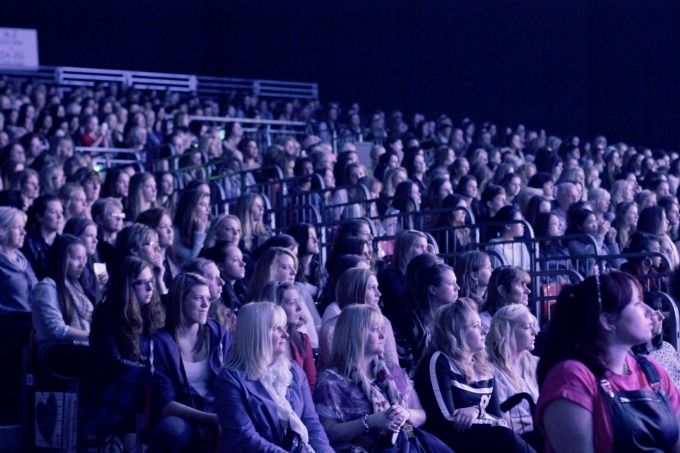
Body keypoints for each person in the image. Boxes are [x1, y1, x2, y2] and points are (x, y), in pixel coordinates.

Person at [536, 271, 680, 453]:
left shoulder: (652, 371)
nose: (650, 311)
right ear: (608, 321)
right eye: (637, 303)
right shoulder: (571, 377)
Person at [314, 304, 452, 453]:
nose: (383, 336)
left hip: (405, 442)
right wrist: (372, 421)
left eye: (382, 329)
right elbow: (329, 432)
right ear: (355, 334)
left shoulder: (393, 371)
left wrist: (406, 413)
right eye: (375, 329)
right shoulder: (330, 381)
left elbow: (421, 415)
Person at [414, 300, 533, 453]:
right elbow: (444, 420)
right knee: (503, 435)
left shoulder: (486, 369)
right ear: (457, 331)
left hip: (482, 441)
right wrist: (484, 416)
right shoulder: (439, 361)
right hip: (450, 444)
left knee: (533, 436)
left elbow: (499, 419)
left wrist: (477, 411)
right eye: (476, 326)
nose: (484, 331)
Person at [215, 302, 332, 452]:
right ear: (258, 334)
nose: (286, 335)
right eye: (277, 328)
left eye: (284, 327)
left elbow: (312, 424)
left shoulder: (294, 372)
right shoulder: (230, 380)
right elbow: (245, 438)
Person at [84, 257, 165, 442]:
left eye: (151, 282)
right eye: (141, 283)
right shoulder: (108, 313)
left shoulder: (152, 312)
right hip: (111, 383)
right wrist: (148, 372)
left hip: (139, 380)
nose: (150, 288)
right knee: (151, 379)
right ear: (127, 286)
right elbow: (112, 361)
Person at [150, 272, 232, 453]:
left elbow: (234, 378)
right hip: (183, 414)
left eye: (208, 299)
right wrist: (210, 418)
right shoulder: (161, 342)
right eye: (198, 298)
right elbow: (165, 404)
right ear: (180, 301)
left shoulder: (217, 333)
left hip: (217, 407)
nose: (205, 305)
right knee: (172, 430)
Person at [31, 234, 92, 376]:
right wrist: (91, 336)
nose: (82, 264)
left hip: (76, 348)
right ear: (62, 259)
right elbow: (57, 330)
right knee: (99, 357)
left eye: (84, 259)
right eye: (77, 258)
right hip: (55, 351)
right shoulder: (47, 287)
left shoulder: (77, 286)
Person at [319, 267, 398, 369]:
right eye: (372, 288)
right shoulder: (331, 330)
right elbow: (337, 371)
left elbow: (393, 366)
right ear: (355, 291)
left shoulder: (383, 322)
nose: (379, 294)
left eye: (377, 288)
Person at [486, 304, 540, 437]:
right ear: (507, 331)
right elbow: (504, 423)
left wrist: (535, 422)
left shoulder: (538, 364)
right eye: (527, 327)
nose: (535, 332)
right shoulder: (491, 372)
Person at [260, 281, 317, 389]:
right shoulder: (260, 341)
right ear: (276, 306)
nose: (299, 308)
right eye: (292, 303)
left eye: (299, 301)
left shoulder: (303, 340)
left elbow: (311, 383)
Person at [0, 206, 37, 314]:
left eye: (23, 227)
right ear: (2, 230)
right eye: (17, 228)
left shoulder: (22, 259)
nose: (23, 232)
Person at [22, 194, 64, 279]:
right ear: (39, 216)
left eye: (61, 212)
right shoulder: (27, 243)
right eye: (53, 212)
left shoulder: (64, 243)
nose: (59, 216)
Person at [481, 266, 531, 331]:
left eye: (525, 285)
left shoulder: (527, 318)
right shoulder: (484, 323)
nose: (528, 291)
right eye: (521, 284)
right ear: (502, 291)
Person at [173, 187, 210, 266]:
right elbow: (191, 257)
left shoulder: (207, 227)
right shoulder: (174, 231)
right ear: (190, 207)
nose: (208, 210)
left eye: (208, 205)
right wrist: (199, 233)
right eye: (203, 205)